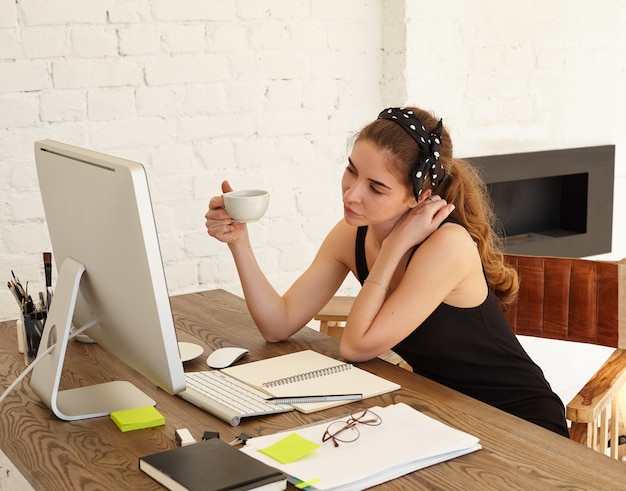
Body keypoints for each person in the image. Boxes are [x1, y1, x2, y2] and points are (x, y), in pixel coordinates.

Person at [205, 106, 569, 437]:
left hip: (520, 423)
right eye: (351, 171)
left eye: (376, 188)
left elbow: (355, 346)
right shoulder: (351, 234)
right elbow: (278, 323)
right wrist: (240, 242)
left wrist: (394, 248)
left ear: (419, 195)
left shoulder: (447, 245)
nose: (351, 194)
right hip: (446, 412)